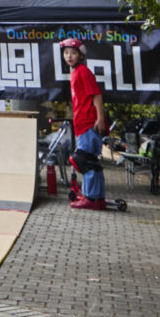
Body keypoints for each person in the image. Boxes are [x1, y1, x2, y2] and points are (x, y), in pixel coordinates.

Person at [61, 37, 109, 210]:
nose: (69, 56)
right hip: (82, 122)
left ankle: (90, 197)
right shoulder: (76, 72)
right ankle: (98, 198)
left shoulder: (83, 72)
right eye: (66, 53)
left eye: (73, 53)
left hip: (89, 122)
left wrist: (100, 118)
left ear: (81, 55)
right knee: (91, 161)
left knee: (85, 160)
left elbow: (97, 95)